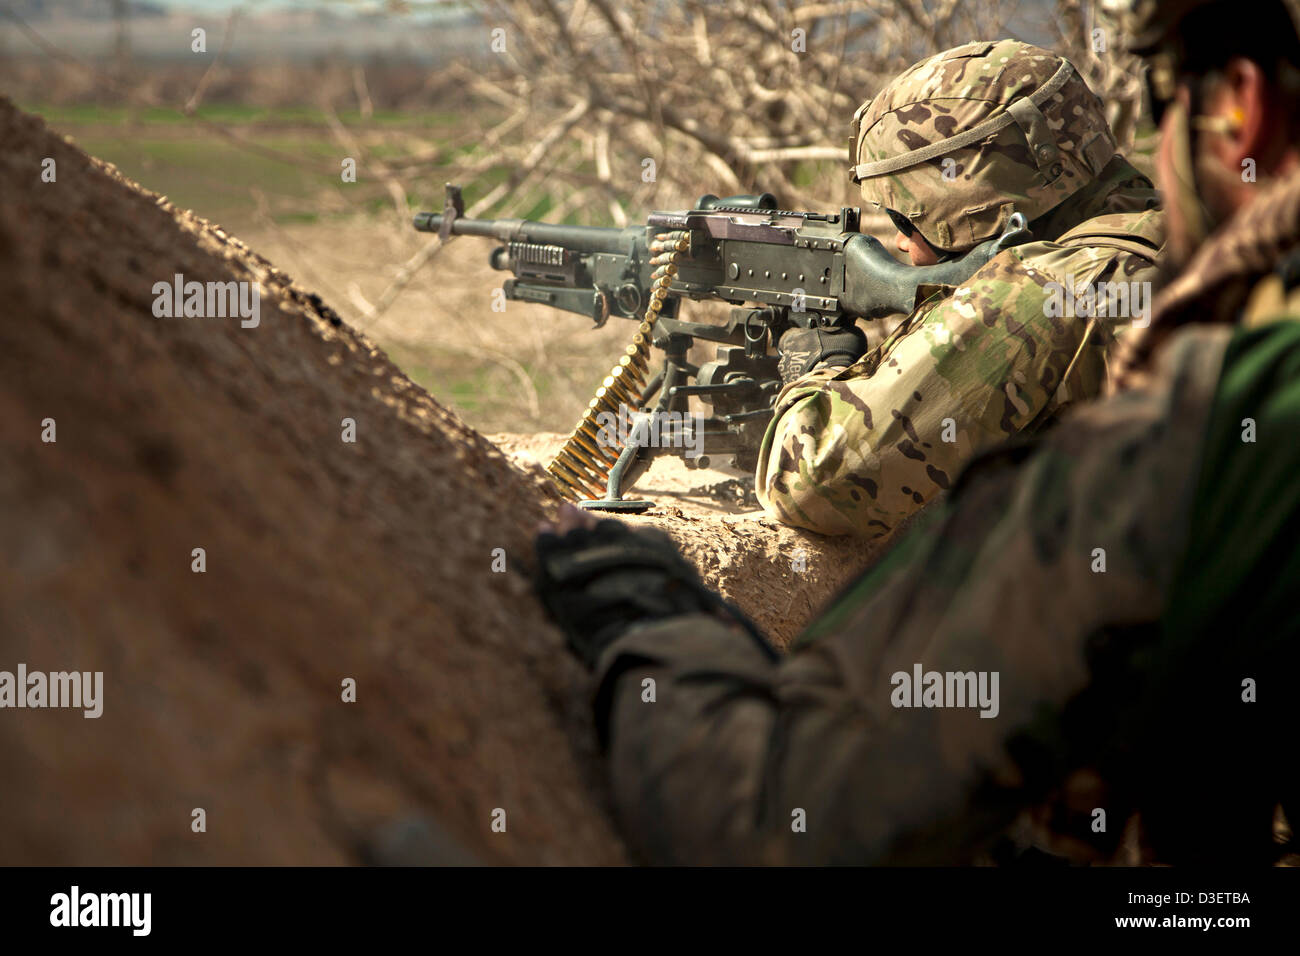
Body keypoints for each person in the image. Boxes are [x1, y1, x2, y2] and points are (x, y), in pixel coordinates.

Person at [533, 0, 1300, 865]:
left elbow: (819, 478)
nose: (897, 240)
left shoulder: (1060, 287)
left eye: (907, 215)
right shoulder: (1189, 257)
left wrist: (810, 371)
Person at [759, 39, 1163, 537]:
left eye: (906, 219)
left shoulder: (1045, 291)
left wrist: (820, 366)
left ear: (969, 205)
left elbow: (810, 484)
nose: (904, 246)